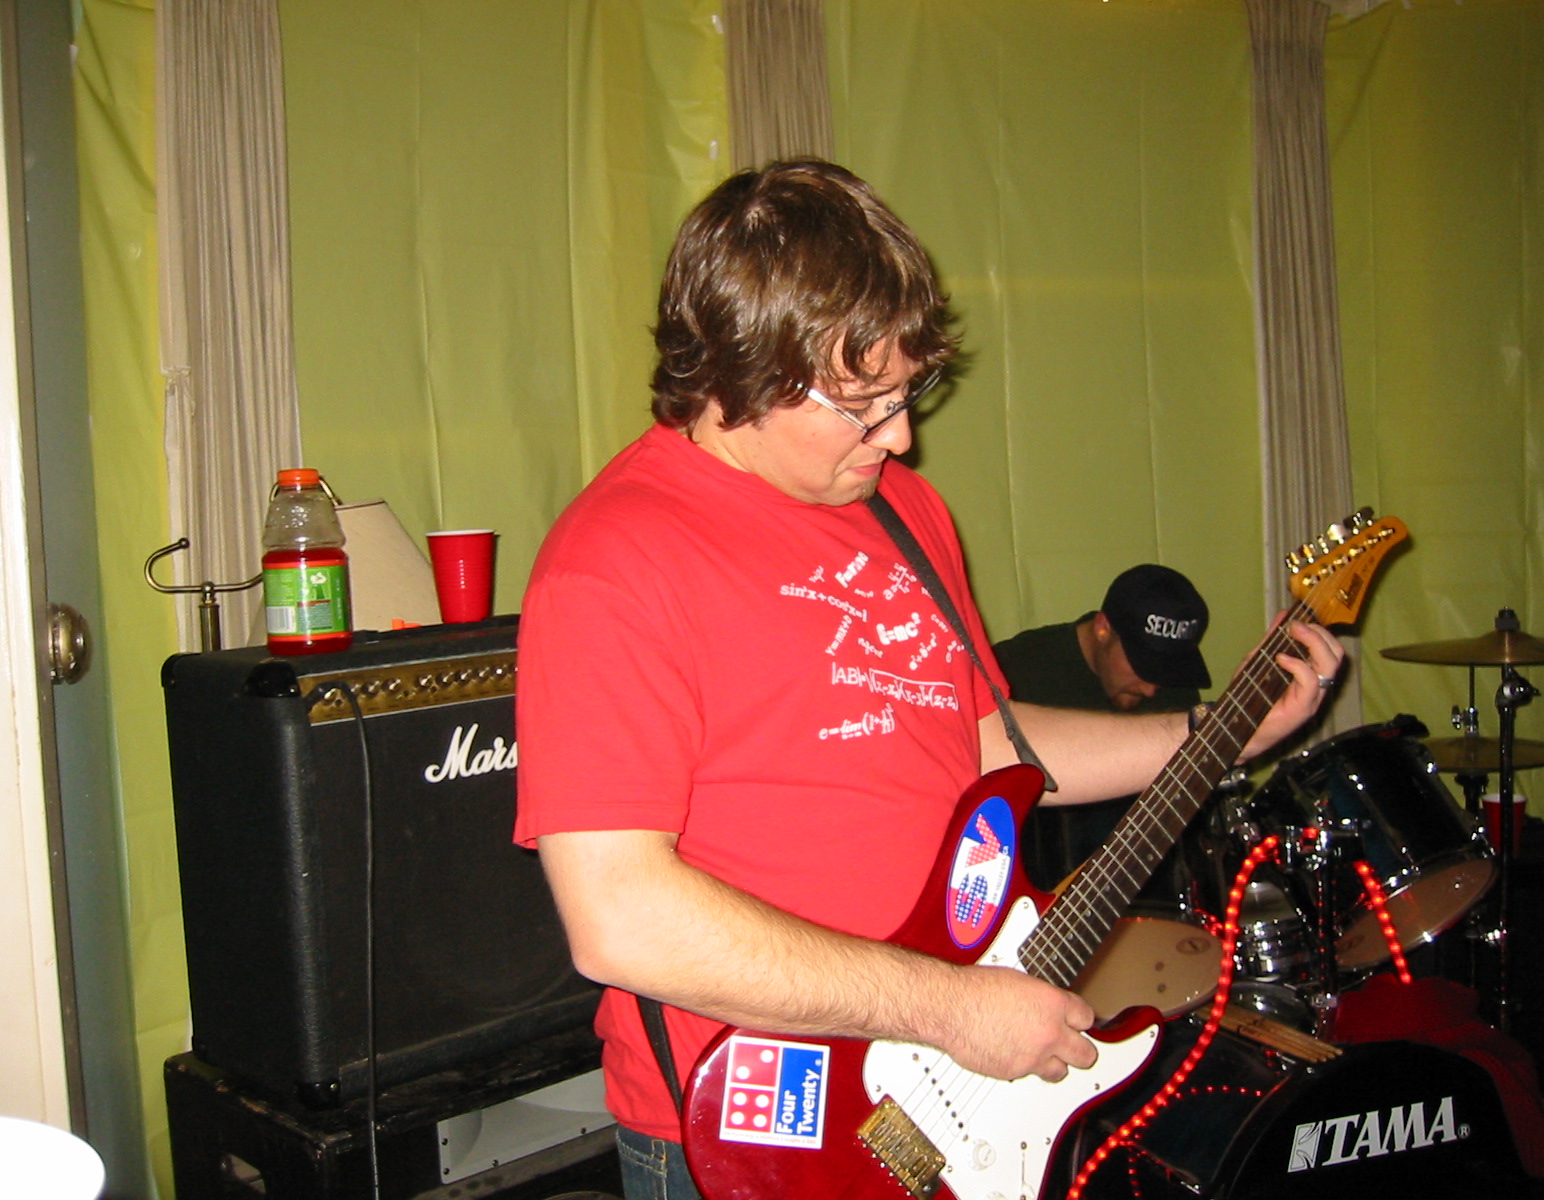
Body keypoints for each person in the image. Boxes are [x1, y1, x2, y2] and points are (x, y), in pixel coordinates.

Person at [514, 159, 1343, 1200]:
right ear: (739, 375)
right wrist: (949, 1009)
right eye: (865, 405)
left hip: (951, 1092)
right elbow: (620, 915)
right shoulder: (616, 560)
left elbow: (986, 744)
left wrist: (1223, 732)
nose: (901, 435)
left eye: (908, 393)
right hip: (763, 1133)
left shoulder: (904, 510)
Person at [992, 564, 1212, 890]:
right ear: (1103, 628)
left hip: (1146, 884)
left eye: (1165, 670)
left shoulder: (1173, 690)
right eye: (1142, 666)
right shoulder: (1014, 672)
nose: (1152, 688)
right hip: (1036, 891)